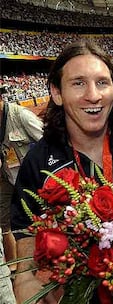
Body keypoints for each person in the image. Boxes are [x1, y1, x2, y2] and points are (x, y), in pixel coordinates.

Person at [10, 40, 113, 304]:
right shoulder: (39, 160)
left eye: (102, 82)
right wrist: (29, 285)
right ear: (56, 92)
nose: (93, 95)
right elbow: (27, 237)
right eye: (78, 83)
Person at [0, 85, 43, 274]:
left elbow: (48, 143)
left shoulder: (21, 116)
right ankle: (14, 266)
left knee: (34, 223)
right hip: (7, 178)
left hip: (31, 182)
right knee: (4, 223)